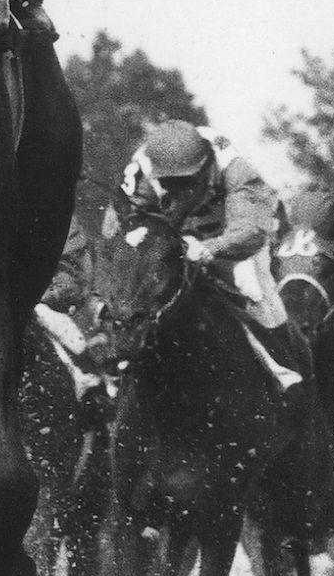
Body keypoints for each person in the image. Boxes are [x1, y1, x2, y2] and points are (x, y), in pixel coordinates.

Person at [104, 121, 308, 386]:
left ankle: (287, 364)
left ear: (207, 167)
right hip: (174, 233)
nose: (179, 191)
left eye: (188, 182)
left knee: (253, 284)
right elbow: (118, 228)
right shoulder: (142, 173)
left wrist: (210, 248)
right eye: (169, 183)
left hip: (231, 231)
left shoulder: (236, 170)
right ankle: (118, 364)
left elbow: (250, 232)